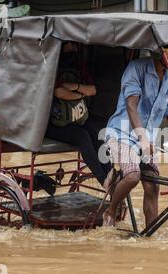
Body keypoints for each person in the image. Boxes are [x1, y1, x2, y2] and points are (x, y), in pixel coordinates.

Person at [102, 48, 168, 227]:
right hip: (122, 134)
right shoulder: (136, 68)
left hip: (146, 139)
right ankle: (110, 211)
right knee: (133, 176)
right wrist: (141, 138)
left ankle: (151, 234)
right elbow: (131, 106)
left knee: (152, 186)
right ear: (161, 53)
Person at [45, 42, 112, 188]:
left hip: (76, 119)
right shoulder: (52, 65)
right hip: (53, 124)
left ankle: (111, 175)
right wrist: (81, 94)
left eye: (75, 45)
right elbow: (59, 92)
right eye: (70, 45)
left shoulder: (80, 67)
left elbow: (93, 90)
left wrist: (74, 87)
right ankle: (104, 181)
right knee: (82, 135)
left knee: (96, 132)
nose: (73, 48)